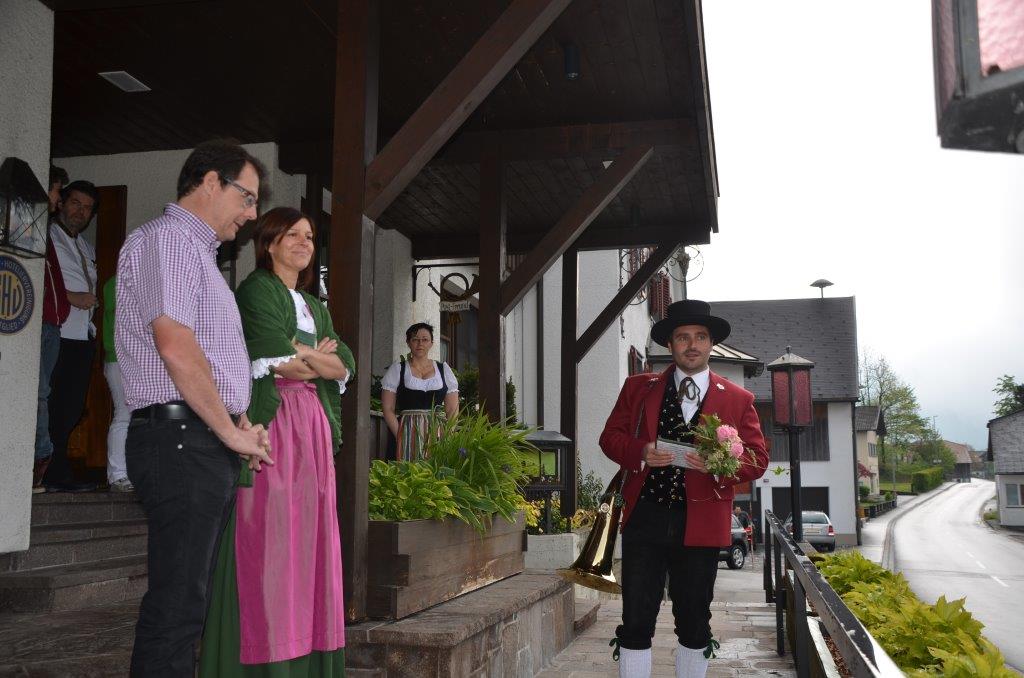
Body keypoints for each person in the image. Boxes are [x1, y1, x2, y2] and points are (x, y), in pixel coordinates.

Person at [116, 139, 273, 676]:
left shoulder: (196, 254)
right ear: (210, 183)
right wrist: (228, 432)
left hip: (194, 437)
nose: (251, 215)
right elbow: (176, 348)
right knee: (179, 606)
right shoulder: (171, 242)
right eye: (247, 198)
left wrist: (235, 420)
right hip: (182, 441)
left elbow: (202, 355)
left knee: (186, 603)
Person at [200, 206, 354, 676]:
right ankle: (267, 658)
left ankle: (308, 654)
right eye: (293, 235)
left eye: (309, 236)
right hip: (276, 425)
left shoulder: (314, 305)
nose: (304, 243)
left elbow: (344, 364)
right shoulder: (256, 290)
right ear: (268, 243)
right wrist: (311, 356)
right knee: (271, 537)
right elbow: (283, 364)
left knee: (310, 541)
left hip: (314, 429)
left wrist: (304, 352)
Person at [599, 299, 770, 678]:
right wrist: (641, 451)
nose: (692, 345)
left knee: (694, 622)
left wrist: (719, 465)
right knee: (635, 620)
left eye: (700, 337)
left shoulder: (738, 398)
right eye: (682, 337)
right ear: (670, 344)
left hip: (702, 523)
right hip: (645, 517)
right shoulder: (639, 388)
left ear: (711, 343)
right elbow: (609, 438)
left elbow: (758, 459)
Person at [44, 179, 101, 492]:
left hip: (82, 335)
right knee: (53, 403)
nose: (81, 212)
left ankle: (57, 467)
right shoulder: (47, 236)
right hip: (58, 332)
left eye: (88, 208)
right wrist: (70, 297)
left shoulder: (85, 247)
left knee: (72, 406)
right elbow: (40, 280)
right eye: (76, 203)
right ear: (62, 203)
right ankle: (52, 471)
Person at [33, 166, 72, 492]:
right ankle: (39, 456)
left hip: (51, 326)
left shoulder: (44, 231)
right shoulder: (30, 225)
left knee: (43, 392)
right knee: (40, 392)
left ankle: (39, 459)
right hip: (39, 325)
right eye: (57, 190)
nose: (58, 198)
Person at [380, 323, 459, 461]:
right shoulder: (398, 370)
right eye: (415, 339)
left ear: (431, 343)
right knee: (405, 471)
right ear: (408, 343)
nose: (420, 343)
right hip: (405, 429)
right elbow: (388, 408)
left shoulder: (444, 370)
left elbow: (452, 409)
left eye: (425, 339)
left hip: (437, 434)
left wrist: (447, 435)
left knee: (436, 470)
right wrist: (401, 435)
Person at [101, 275, 133, 492]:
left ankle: (123, 473)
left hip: (128, 358)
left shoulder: (118, 282)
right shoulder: (117, 283)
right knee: (124, 414)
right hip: (120, 358)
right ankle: (118, 474)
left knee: (129, 415)